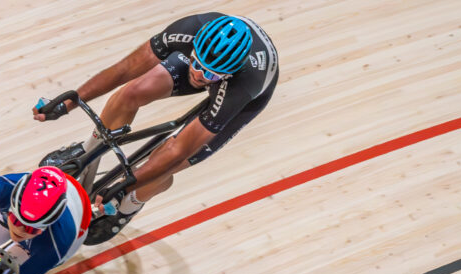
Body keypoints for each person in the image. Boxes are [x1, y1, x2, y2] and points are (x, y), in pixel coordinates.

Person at [33, 13, 278, 242]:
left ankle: (129, 206)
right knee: (131, 93)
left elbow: (177, 151)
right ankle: (87, 151)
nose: (200, 75)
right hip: (212, 61)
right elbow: (125, 70)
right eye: (196, 63)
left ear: (228, 73)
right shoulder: (189, 31)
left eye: (211, 75)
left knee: (166, 160)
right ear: (193, 50)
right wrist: (69, 102)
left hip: (242, 98)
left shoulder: (244, 85)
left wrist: (124, 187)